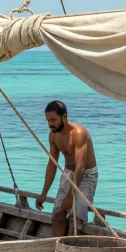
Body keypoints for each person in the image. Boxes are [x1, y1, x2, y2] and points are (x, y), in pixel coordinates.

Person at [35, 100, 99, 237]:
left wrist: (70, 196)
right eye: (47, 120)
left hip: (86, 175)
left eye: (53, 120)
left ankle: (73, 246)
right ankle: (56, 247)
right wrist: (44, 193)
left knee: (76, 219)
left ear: (64, 117)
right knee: (57, 215)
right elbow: (52, 164)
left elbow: (80, 167)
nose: (50, 124)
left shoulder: (78, 133)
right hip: (68, 173)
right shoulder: (53, 135)